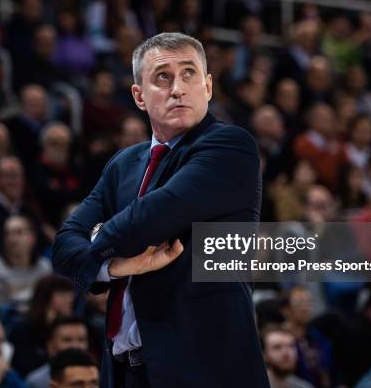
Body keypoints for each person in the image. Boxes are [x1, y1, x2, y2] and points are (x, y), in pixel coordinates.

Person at [52, 32, 268, 387]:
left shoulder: (230, 146)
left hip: (205, 368)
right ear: (139, 96)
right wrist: (116, 266)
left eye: (189, 74)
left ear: (208, 86)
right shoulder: (123, 163)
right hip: (123, 371)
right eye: (162, 77)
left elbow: (150, 219)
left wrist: (97, 236)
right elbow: (62, 249)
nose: (178, 88)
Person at [25, 316, 90, 388]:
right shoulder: (36, 382)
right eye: (67, 340)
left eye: (81, 340)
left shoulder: (101, 375)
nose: (75, 346)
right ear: (51, 346)